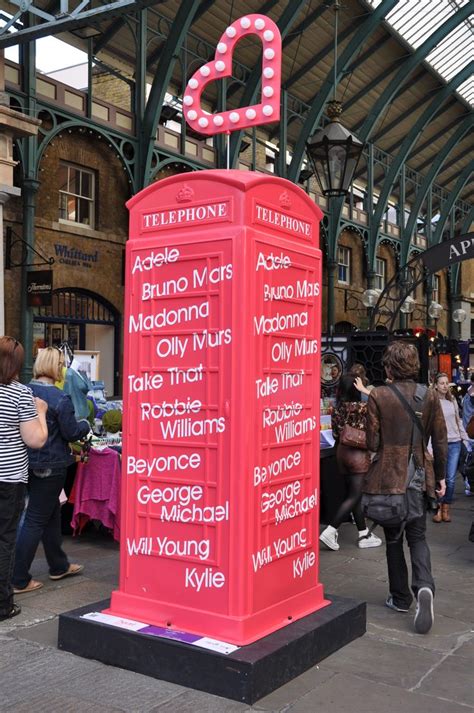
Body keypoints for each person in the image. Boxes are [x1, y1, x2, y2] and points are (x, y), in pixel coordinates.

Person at [365, 341, 447, 635]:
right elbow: (439, 441)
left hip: (388, 478)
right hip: (417, 476)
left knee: (392, 539)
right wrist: (440, 477)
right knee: (418, 537)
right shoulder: (429, 396)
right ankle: (424, 586)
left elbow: (372, 442)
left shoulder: (378, 395)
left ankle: (400, 598)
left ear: (389, 366)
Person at [12, 347, 90, 594]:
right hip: (52, 465)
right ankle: (19, 577)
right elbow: (71, 432)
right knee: (35, 518)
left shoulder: (25, 391)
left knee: (51, 513)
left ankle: (58, 565)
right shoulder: (59, 398)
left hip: (28, 463)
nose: (61, 369)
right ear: (53, 367)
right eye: (59, 365)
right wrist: (85, 424)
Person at [0, 337, 48, 621]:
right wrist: (40, 412)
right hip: (9, 479)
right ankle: (3, 604)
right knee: (5, 540)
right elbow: (36, 439)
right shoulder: (20, 394)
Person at [320, 374, 382, 551]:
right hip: (358, 455)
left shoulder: (337, 407)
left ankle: (363, 534)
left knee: (355, 495)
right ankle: (331, 530)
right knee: (355, 495)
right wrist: (366, 391)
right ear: (357, 388)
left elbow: (335, 433)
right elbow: (382, 402)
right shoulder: (363, 407)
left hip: (342, 453)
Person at [431, 372, 471, 522]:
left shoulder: (452, 400)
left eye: (447, 383)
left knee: (451, 478)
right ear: (435, 385)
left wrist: (465, 438)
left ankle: (446, 506)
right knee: (439, 476)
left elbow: (458, 420)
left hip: (455, 442)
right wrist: (429, 446)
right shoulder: (432, 402)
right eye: (441, 383)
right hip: (439, 443)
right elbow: (428, 426)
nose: (445, 385)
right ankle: (439, 507)